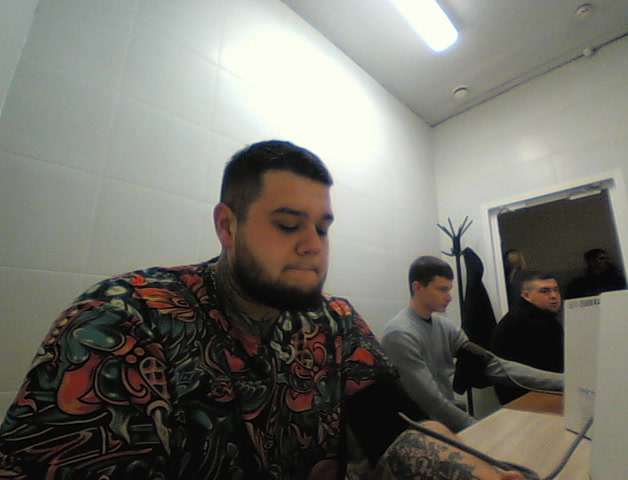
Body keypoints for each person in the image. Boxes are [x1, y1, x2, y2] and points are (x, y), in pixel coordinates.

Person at [0, 140, 527, 480]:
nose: (313, 245)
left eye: (322, 228)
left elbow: (388, 425)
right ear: (227, 226)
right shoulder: (125, 319)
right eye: (288, 224)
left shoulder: (335, 321)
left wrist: (477, 473)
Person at [381, 256, 564, 433]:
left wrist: (562, 380)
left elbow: (492, 365)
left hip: (444, 422)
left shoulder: (445, 327)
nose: (449, 297)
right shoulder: (400, 334)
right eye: (442, 290)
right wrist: (476, 429)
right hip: (421, 429)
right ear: (418, 287)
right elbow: (430, 401)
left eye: (449, 289)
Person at [491, 272, 564, 404]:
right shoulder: (525, 322)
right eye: (544, 291)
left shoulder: (540, 318)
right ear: (526, 295)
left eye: (556, 290)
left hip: (532, 393)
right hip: (528, 397)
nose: (553, 296)